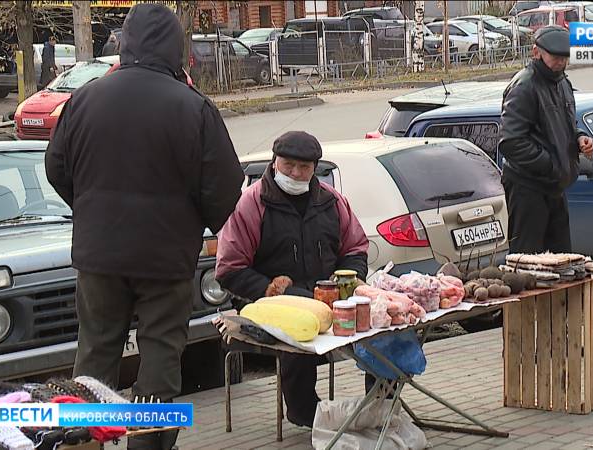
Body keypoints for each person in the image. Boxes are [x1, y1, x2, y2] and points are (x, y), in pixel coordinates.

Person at [45, 3, 243, 449]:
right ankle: (148, 445)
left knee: (94, 353)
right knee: (160, 357)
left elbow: (56, 168)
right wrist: (196, 223)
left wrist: (91, 210)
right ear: (176, 47)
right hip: (165, 259)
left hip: (99, 258)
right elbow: (225, 186)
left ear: (125, 41)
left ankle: (83, 442)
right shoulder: (193, 107)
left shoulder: (85, 98)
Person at [216, 130, 369, 427]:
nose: (296, 173)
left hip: (329, 298)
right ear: (275, 163)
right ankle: (305, 413)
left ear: (315, 169)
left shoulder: (332, 201)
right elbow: (229, 269)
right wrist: (270, 290)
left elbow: (355, 248)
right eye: (289, 166)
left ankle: (380, 403)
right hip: (271, 303)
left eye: (304, 168)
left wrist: (351, 281)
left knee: (378, 330)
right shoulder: (251, 203)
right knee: (297, 339)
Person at [498, 25, 593, 254]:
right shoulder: (524, 86)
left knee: (562, 260)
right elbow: (511, 142)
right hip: (528, 188)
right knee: (528, 262)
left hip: (555, 186)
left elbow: (565, 126)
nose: (561, 63)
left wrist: (580, 138)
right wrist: (551, 164)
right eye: (555, 57)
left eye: (565, 58)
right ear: (536, 52)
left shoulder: (563, 83)